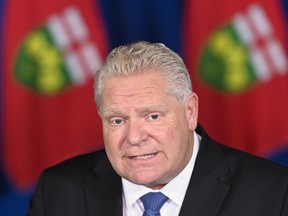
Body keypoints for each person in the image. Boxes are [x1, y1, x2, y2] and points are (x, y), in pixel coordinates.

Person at [28, 41, 288, 216]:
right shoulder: (57, 191)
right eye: (117, 120)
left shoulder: (274, 194)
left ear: (190, 111)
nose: (134, 137)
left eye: (152, 116)